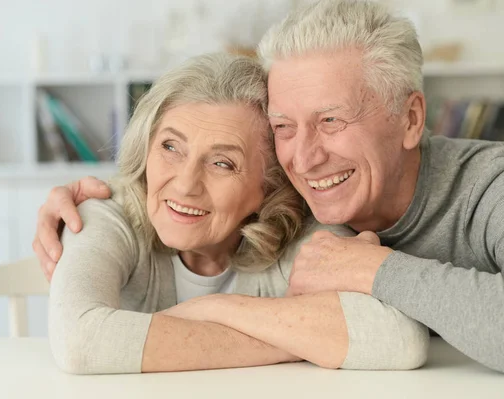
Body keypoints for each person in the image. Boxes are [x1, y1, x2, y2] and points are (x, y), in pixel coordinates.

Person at [35, 0, 504, 373]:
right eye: (283, 127)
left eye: (331, 120)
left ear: (411, 119)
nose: (304, 158)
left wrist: (377, 270)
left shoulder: (490, 188)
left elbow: (394, 339)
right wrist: (102, 200)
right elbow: (193, 177)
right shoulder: (306, 196)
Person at [46, 52, 428, 374]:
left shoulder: (302, 234)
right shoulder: (105, 214)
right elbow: (79, 340)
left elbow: (399, 337)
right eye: (170, 147)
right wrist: (299, 341)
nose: (184, 185)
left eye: (223, 163)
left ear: (268, 187)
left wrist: (211, 308)